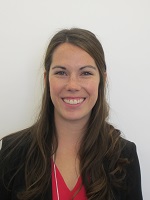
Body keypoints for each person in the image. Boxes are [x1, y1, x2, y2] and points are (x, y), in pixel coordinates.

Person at [0, 28, 143, 200]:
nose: (73, 85)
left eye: (86, 73)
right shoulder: (12, 153)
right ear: (46, 79)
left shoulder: (124, 156)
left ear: (102, 80)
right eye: (61, 72)